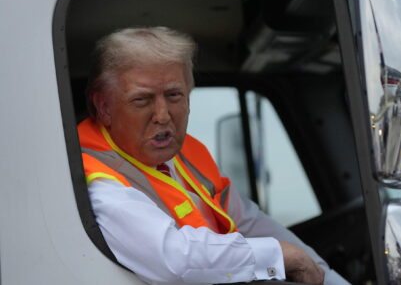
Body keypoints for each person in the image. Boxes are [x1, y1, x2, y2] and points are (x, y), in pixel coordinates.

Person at [78, 26, 349, 285]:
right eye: (142, 100)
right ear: (103, 107)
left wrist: (326, 276)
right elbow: (174, 260)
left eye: (174, 95)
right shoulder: (95, 178)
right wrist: (278, 255)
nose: (162, 115)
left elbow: (250, 221)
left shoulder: (184, 155)